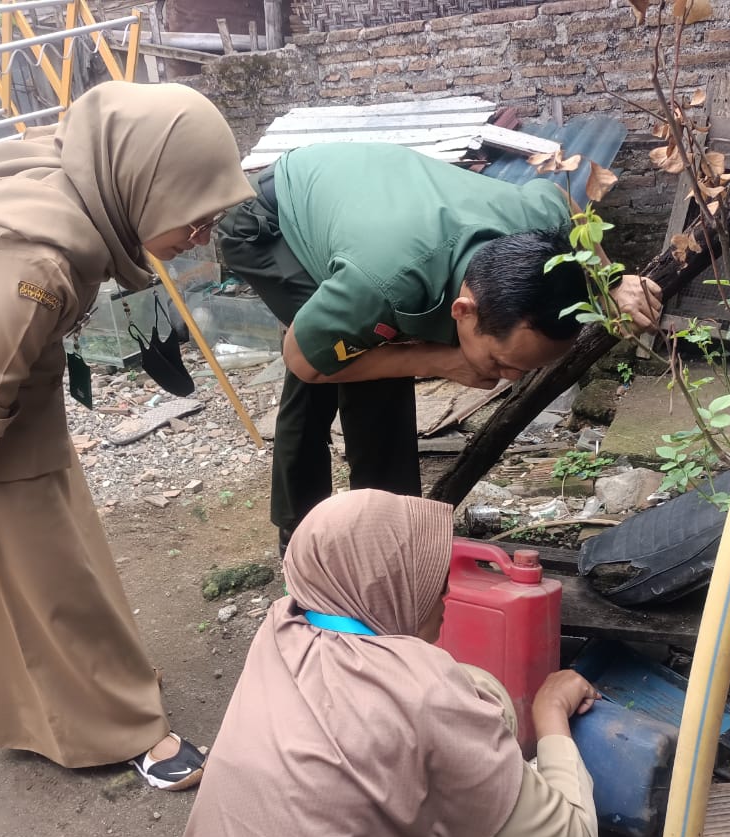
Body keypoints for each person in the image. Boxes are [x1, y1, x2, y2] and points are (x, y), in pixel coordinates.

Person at [0, 81, 254, 790]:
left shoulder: (84, 179)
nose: (200, 238)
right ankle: (124, 729)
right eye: (193, 219)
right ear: (141, 184)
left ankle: (81, 693)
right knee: (40, 563)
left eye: (212, 220)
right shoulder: (38, 260)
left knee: (54, 541)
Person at [174, 489, 601, 837]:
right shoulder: (426, 695)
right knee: (484, 804)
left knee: (478, 694)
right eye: (432, 579)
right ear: (388, 588)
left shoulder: (283, 626)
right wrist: (550, 712)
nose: (444, 592)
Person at [217, 141, 663, 550]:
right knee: (348, 367)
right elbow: (301, 360)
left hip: (366, 199)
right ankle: (312, 536)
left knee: (358, 348)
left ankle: (389, 531)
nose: (511, 378)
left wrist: (610, 280)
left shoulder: (542, 229)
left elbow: (561, 200)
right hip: (271, 220)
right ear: (463, 311)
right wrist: (442, 361)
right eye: (502, 363)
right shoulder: (383, 284)